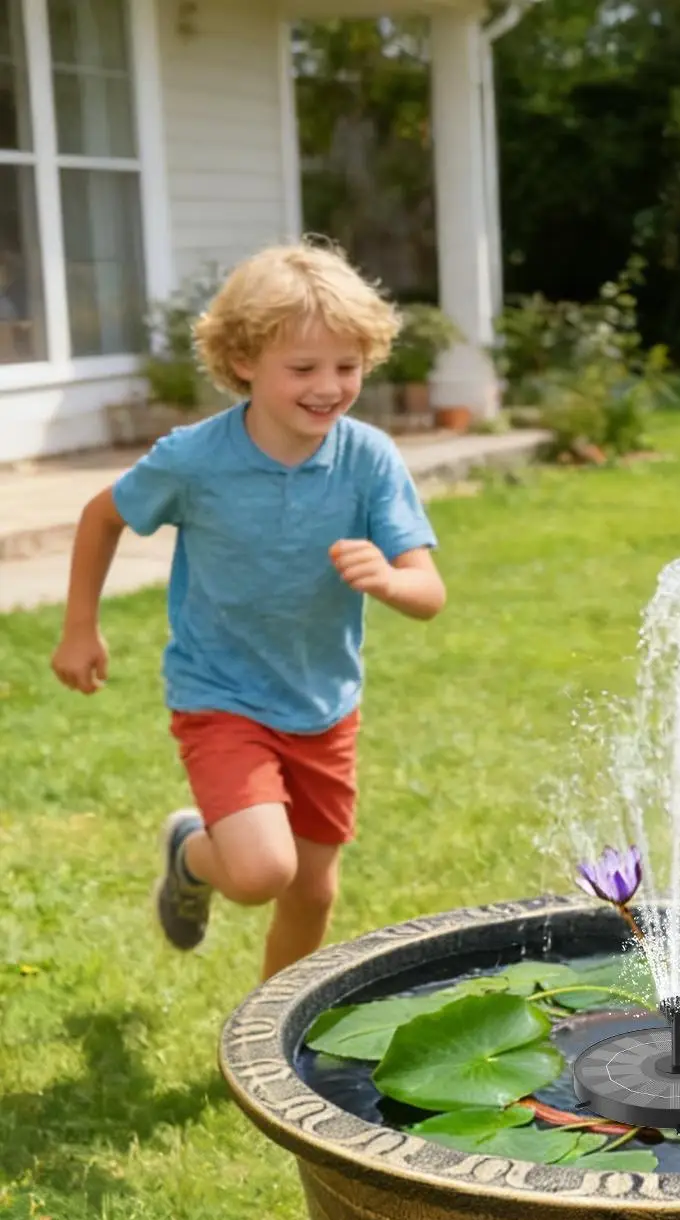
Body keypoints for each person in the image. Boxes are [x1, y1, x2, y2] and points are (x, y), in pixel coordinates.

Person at [50, 240, 446, 980]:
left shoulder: (368, 458)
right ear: (243, 361)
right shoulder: (194, 460)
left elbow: (429, 591)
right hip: (221, 695)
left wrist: (391, 582)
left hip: (323, 705)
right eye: (304, 368)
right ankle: (193, 853)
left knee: (312, 892)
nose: (328, 387)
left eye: (347, 366)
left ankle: (273, 1036)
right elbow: (102, 516)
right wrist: (80, 628)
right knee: (263, 870)